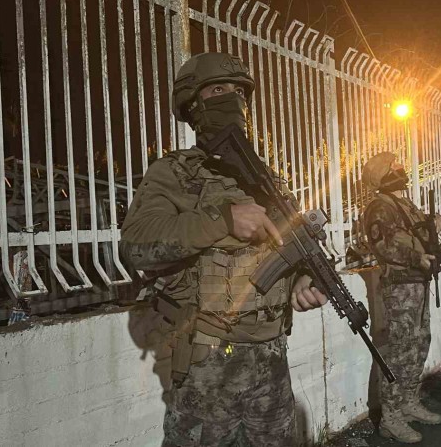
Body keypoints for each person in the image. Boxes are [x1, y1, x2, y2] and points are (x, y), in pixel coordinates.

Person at [120, 52, 327, 447]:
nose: (233, 98)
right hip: (207, 362)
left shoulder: (268, 181)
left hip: (272, 358)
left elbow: (294, 246)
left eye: (239, 91)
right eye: (218, 89)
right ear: (192, 104)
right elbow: (136, 246)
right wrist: (223, 220)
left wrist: (304, 278)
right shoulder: (175, 172)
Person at [360, 152, 441, 444]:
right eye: (393, 164)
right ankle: (391, 418)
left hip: (418, 284)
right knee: (399, 352)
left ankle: (409, 402)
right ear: (382, 174)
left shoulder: (404, 204)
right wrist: (416, 259)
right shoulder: (379, 208)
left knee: (419, 345)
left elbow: (419, 233)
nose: (400, 167)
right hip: (400, 288)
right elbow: (383, 247)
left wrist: (434, 223)